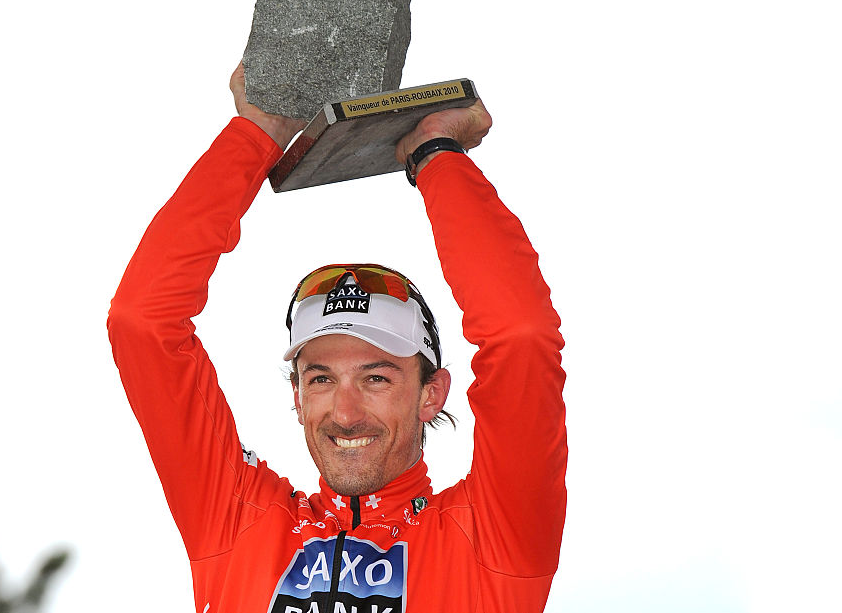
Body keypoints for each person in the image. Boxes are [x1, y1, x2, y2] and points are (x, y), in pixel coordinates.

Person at [108, 63, 567, 612]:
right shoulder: (236, 519)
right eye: (321, 378)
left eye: (376, 376)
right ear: (298, 397)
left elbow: (521, 335)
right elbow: (142, 322)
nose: (345, 412)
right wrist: (259, 133)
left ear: (432, 393)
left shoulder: (494, 536)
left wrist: (435, 155)